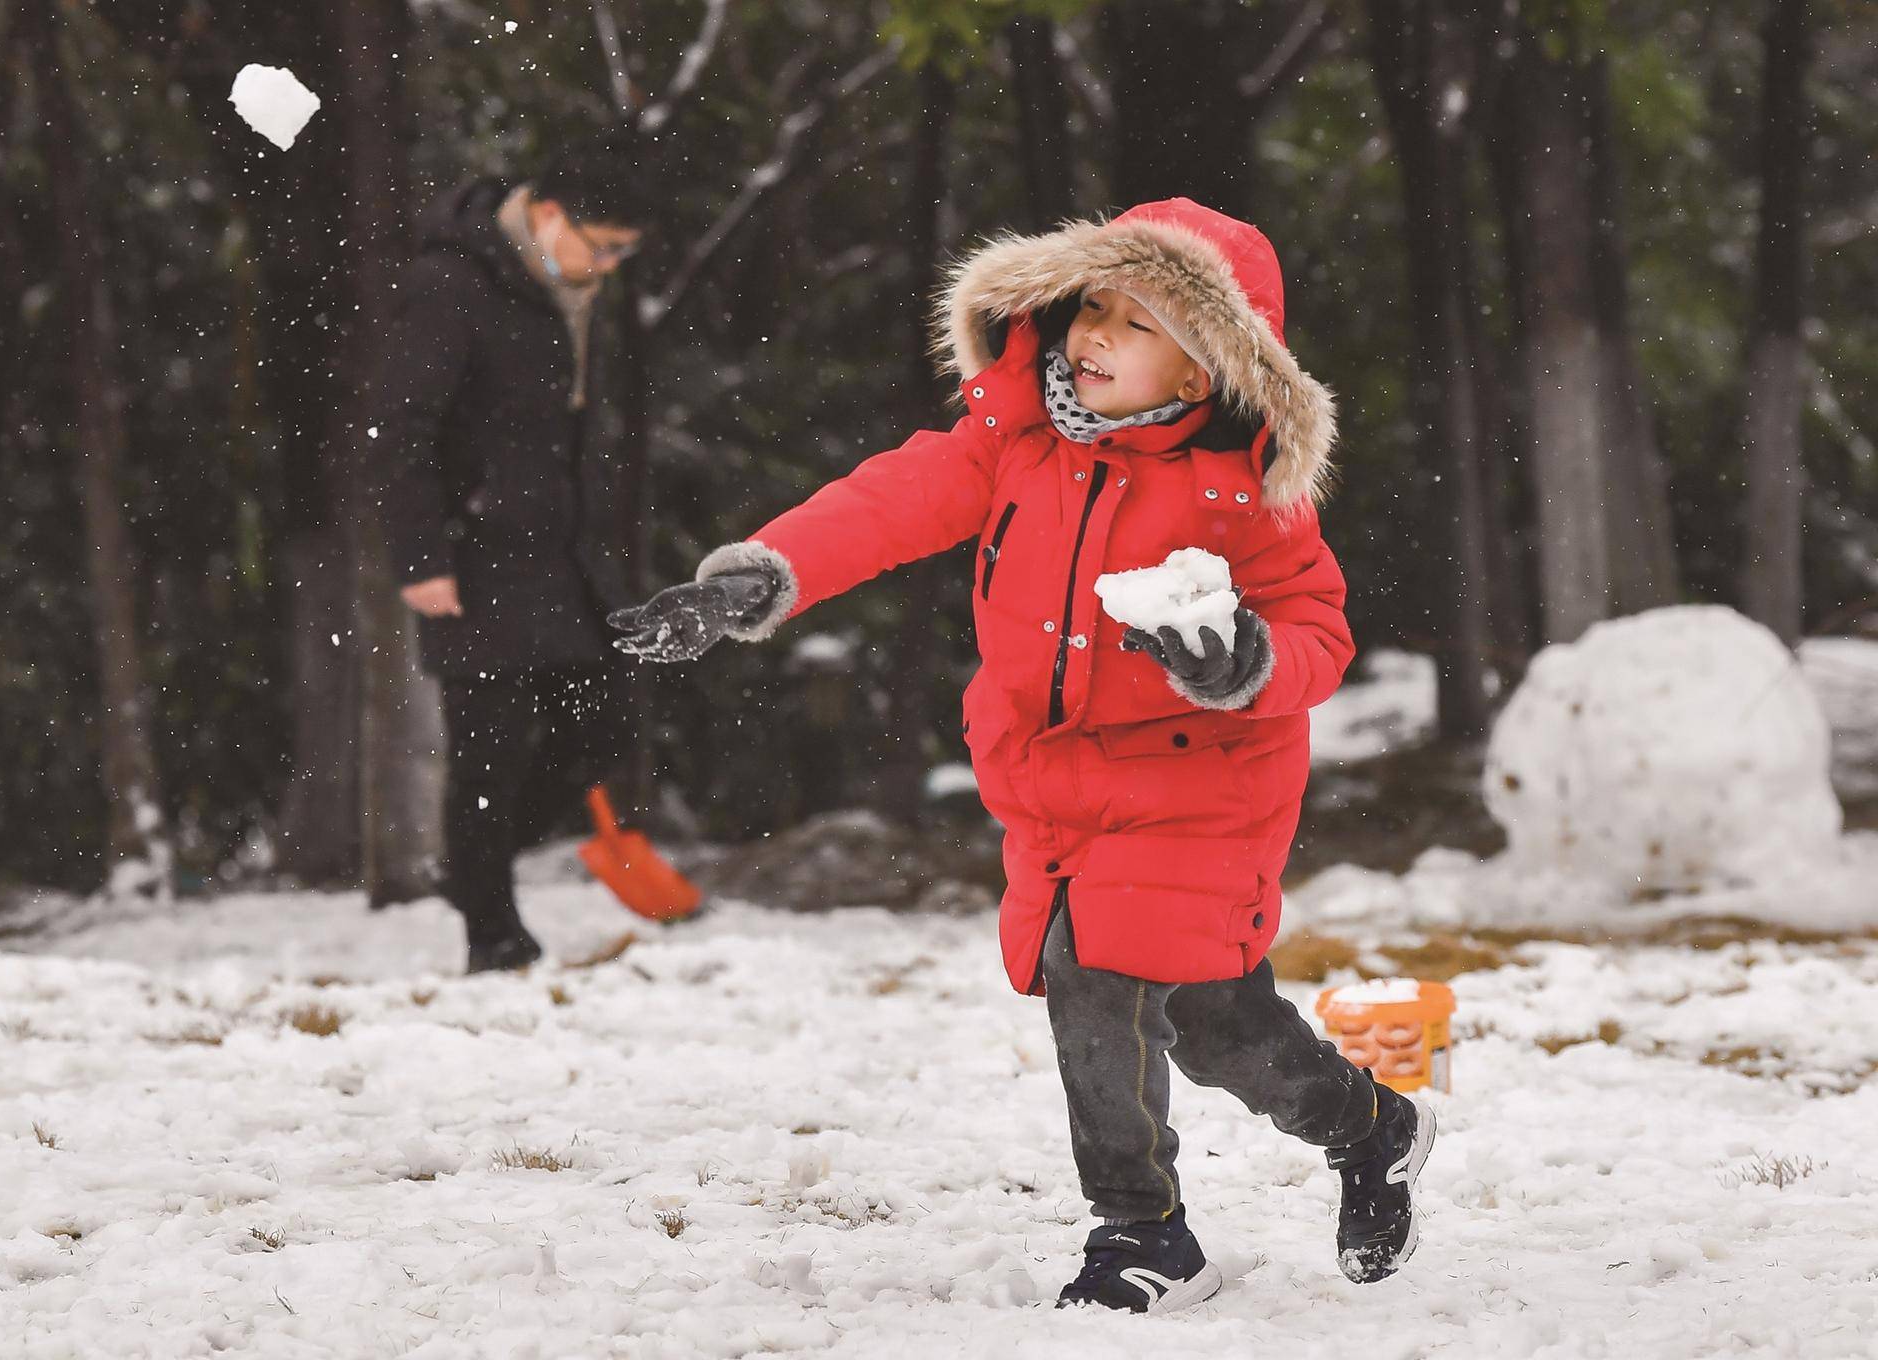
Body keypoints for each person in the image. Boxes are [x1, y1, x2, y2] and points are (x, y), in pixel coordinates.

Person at [607, 198, 1437, 1311]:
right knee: (1204, 1021)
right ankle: (1375, 1128)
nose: (1093, 336)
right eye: (1090, 304)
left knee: (1111, 986)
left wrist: (1242, 660)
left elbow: (1318, 637)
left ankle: (1146, 1238)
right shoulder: (1016, 444)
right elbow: (888, 502)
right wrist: (763, 573)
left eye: (1137, 323)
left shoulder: (1245, 493)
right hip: (1056, 785)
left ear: (1206, 366)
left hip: (1203, 785)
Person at [373, 132, 646, 973]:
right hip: (473, 547)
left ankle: (472, 867)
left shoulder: (558, 287)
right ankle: (492, 933)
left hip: (558, 549)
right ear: (549, 212)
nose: (605, 268)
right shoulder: (451, 285)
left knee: (601, 727)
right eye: (600, 247)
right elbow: (399, 429)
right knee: (486, 747)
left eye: (621, 254)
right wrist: (421, 557)